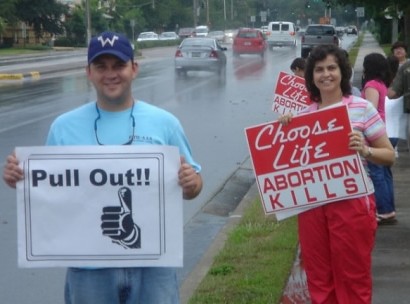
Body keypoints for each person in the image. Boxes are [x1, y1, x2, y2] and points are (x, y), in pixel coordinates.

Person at [3, 31, 203, 304]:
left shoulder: (164, 123)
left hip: (153, 266)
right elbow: (46, 191)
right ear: (88, 72)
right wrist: (19, 177)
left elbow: (193, 186)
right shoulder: (63, 128)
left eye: (118, 65)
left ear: (134, 69)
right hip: (89, 270)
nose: (111, 74)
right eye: (101, 67)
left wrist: (192, 183)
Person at [279, 45, 395, 304]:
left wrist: (364, 150)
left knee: (353, 277)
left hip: (352, 203)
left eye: (332, 68)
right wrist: (285, 129)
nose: (326, 74)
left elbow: (389, 155)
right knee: (319, 280)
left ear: (342, 72)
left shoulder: (361, 107)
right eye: (319, 70)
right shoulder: (301, 115)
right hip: (313, 205)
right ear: (311, 76)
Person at [361, 53, 397, 224]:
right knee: (385, 173)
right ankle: (389, 208)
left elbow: (370, 110)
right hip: (386, 130)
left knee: (376, 173)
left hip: (374, 134)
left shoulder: (371, 85)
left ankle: (382, 209)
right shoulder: (382, 83)